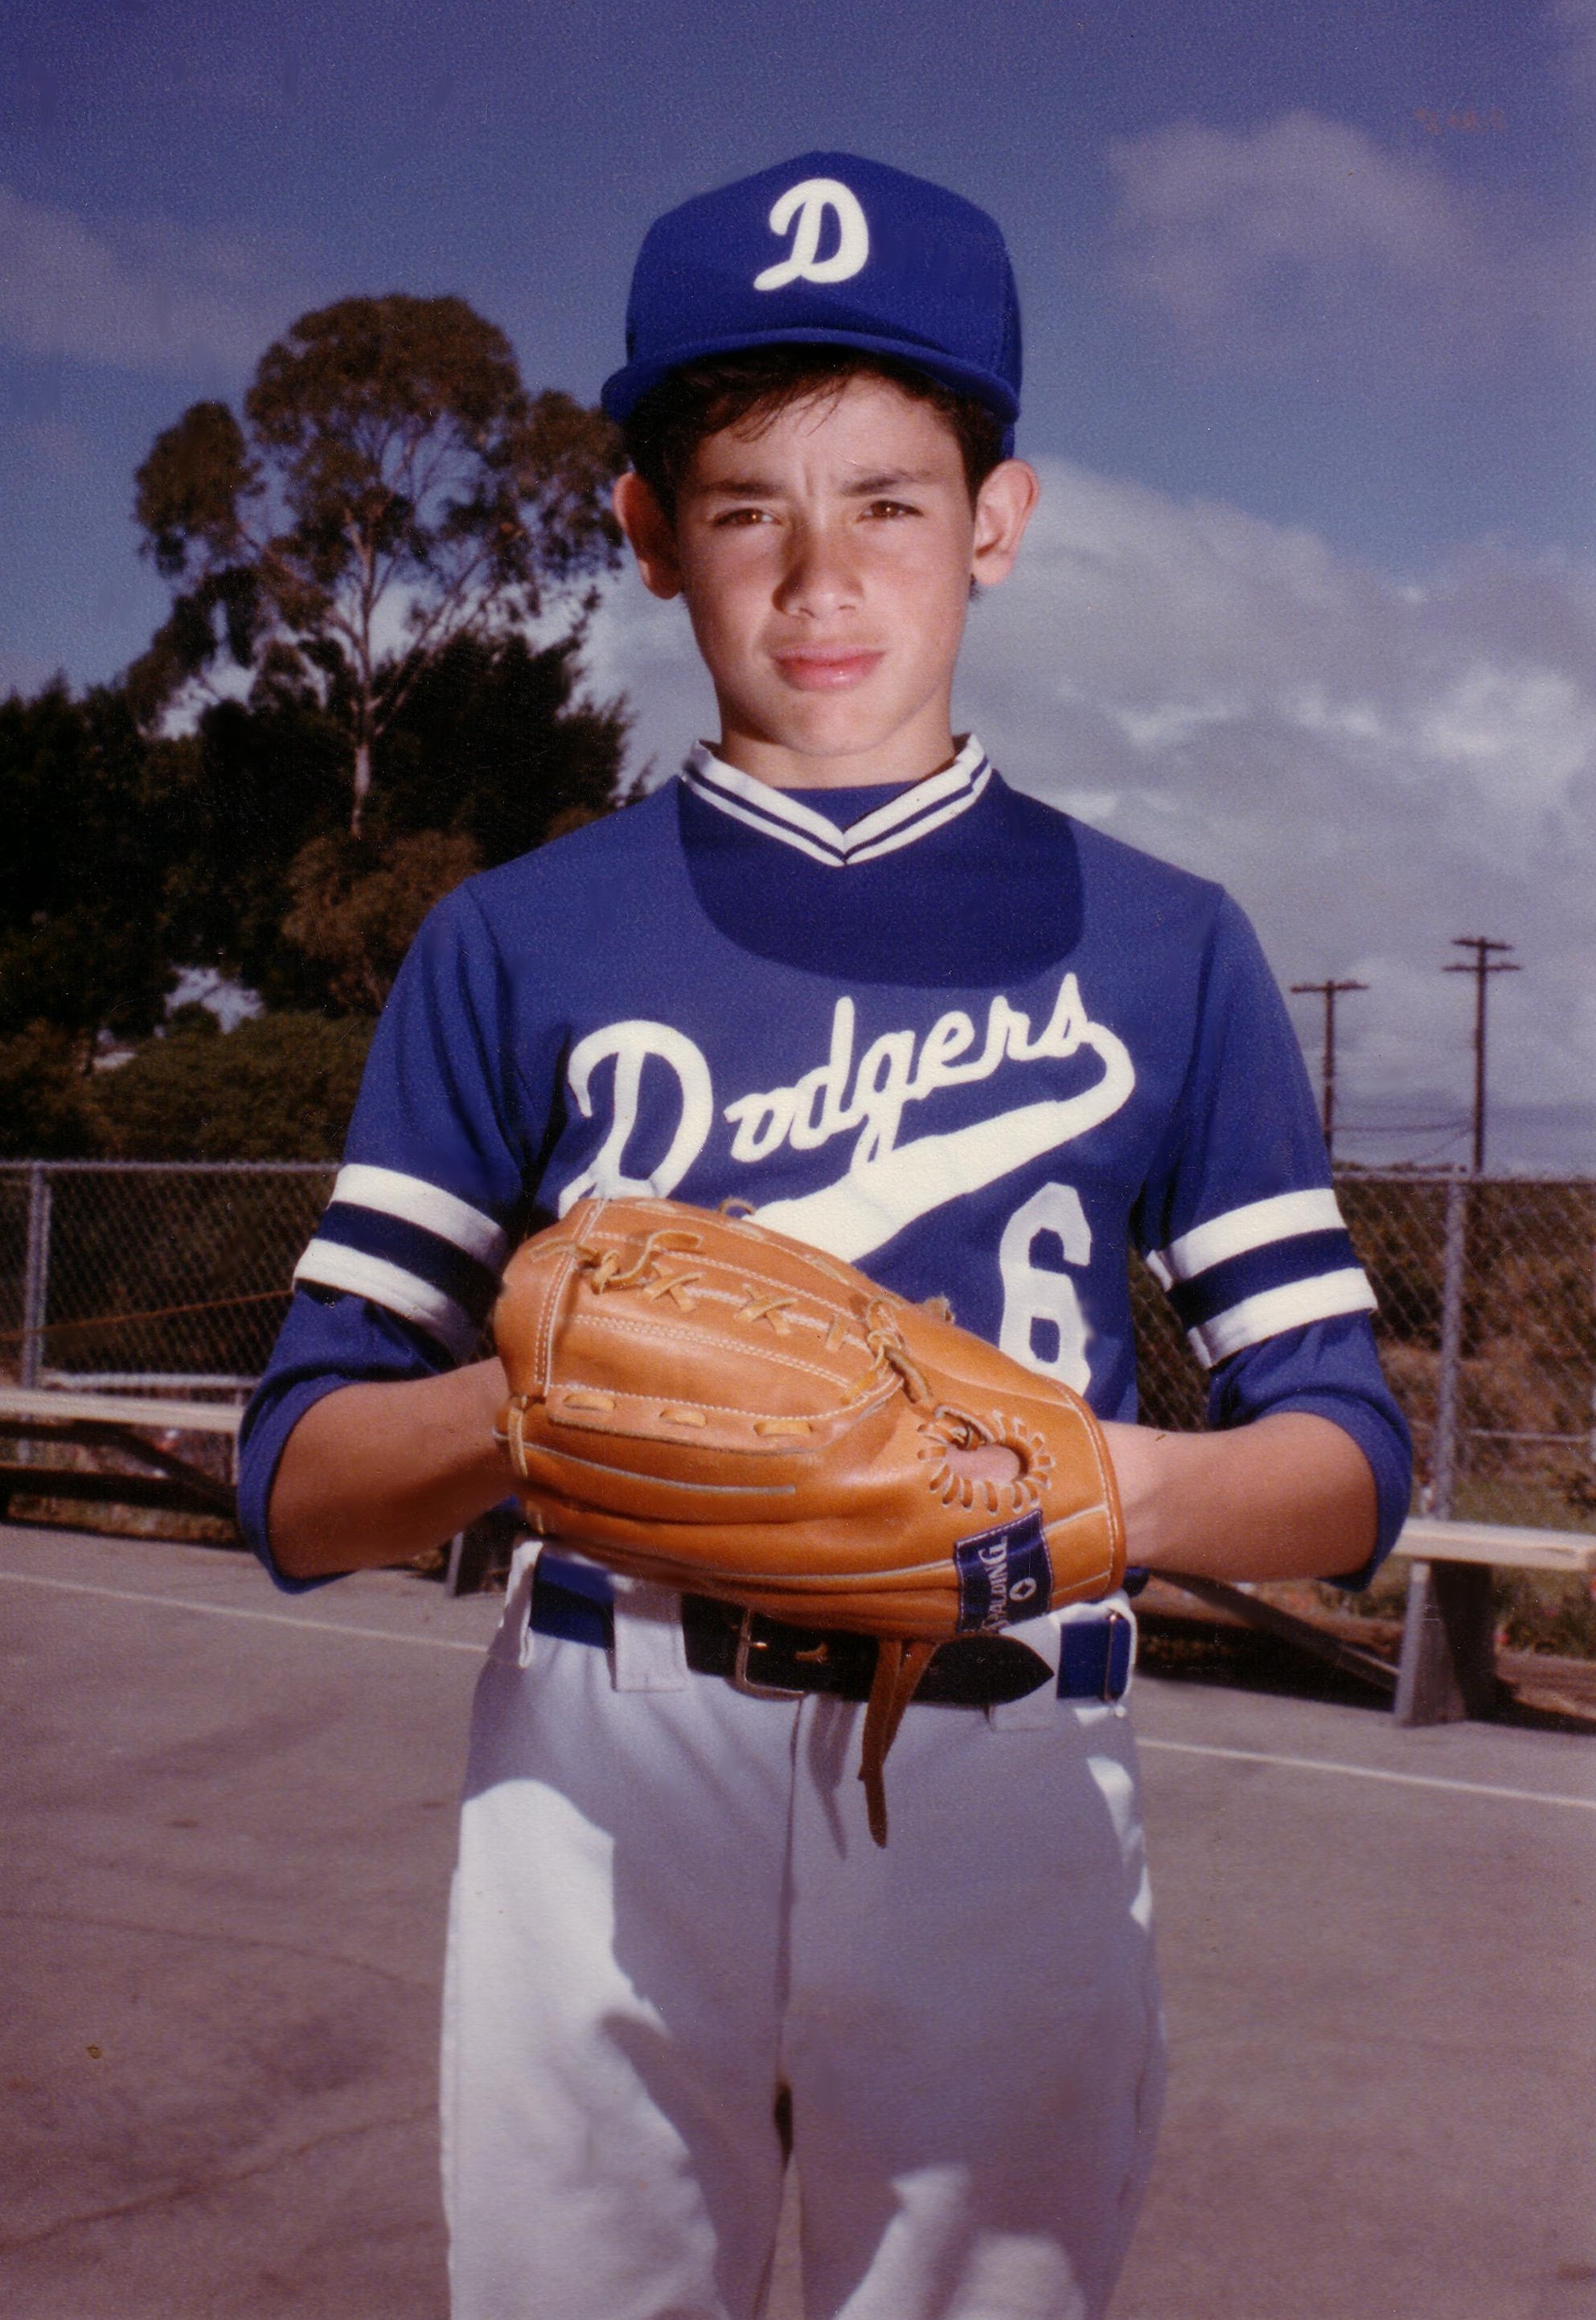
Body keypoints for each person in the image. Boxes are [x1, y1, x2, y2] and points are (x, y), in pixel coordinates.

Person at [239, 152, 1412, 2320]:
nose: (816, 576)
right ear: (643, 532)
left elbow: (1346, 1463)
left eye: (886, 500)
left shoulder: (1163, 942)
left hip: (1009, 1740)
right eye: (742, 507)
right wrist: (541, 1407)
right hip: (609, 1750)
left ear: (997, 520)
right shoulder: (518, 940)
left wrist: (1094, 1492)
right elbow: (299, 1484)